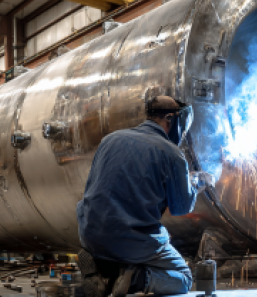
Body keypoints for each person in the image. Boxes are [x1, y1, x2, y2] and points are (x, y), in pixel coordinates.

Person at [76, 95, 215, 297]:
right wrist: (197, 182)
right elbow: (181, 208)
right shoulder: (172, 153)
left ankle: (103, 269)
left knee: (122, 239)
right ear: (170, 119)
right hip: (132, 239)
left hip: (90, 233)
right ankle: (132, 280)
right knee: (183, 277)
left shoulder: (110, 140)